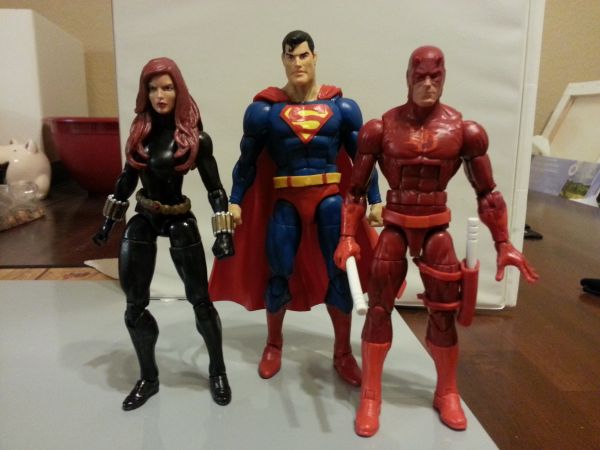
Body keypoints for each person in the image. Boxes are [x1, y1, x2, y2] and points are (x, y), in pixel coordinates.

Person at [334, 46, 539, 436]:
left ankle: (447, 391)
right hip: (395, 225)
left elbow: (488, 193)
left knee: (443, 314)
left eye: (435, 77)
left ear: (444, 78)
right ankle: (372, 395)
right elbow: (355, 191)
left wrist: (504, 243)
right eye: (421, 77)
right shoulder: (380, 128)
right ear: (408, 77)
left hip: (435, 229)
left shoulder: (464, 131)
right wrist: (347, 236)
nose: (428, 84)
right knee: (378, 310)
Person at [209, 30, 382, 386]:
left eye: (303, 55)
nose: (297, 63)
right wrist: (236, 201)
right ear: (283, 60)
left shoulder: (341, 108)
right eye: (291, 57)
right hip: (286, 199)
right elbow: (246, 162)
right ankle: (274, 343)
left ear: (315, 57)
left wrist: (376, 200)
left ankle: (342, 352)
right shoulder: (265, 111)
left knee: (339, 275)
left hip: (330, 200)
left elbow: (362, 160)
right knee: (278, 274)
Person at [93, 57, 234, 410]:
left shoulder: (194, 139)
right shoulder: (139, 137)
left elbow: (215, 189)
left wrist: (224, 231)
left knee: (201, 302)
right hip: (144, 216)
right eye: (153, 88)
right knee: (133, 307)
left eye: (167, 88)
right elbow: (126, 181)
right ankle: (149, 377)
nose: (160, 95)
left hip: (179, 217)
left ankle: (217, 370)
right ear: (145, 92)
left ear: (178, 91)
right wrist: (107, 224)